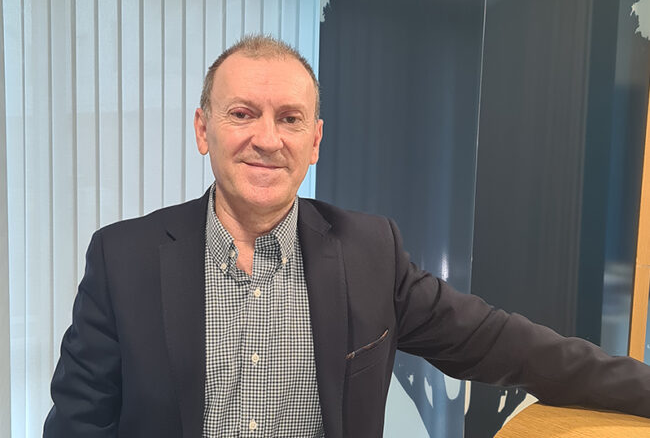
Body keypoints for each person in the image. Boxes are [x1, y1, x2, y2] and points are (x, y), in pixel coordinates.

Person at [44, 35, 650, 438]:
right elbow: (77, 426)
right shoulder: (122, 259)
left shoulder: (369, 252)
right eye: (242, 113)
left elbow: (502, 344)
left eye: (289, 119)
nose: (267, 139)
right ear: (204, 130)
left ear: (315, 140)